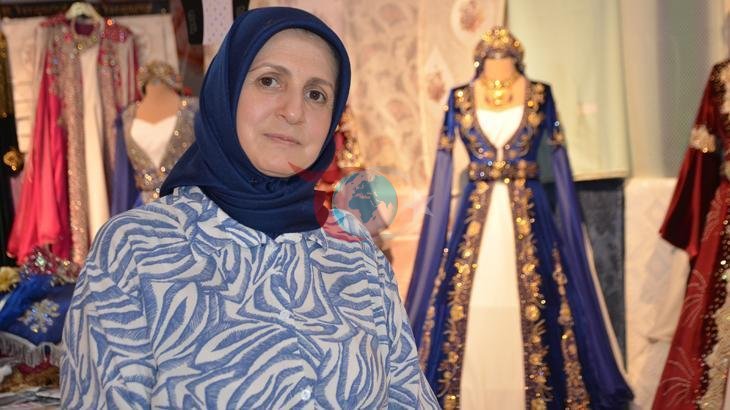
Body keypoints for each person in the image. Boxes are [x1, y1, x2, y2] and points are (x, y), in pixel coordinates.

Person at [60, 7, 438, 408]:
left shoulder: (353, 248)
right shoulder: (137, 249)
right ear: (226, 91)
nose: (293, 111)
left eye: (316, 94)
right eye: (269, 81)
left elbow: (408, 396)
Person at [405, 27, 632, 409]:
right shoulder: (459, 97)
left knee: (539, 296)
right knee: (465, 301)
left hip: (531, 211)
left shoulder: (541, 94)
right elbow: (442, 167)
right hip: (474, 213)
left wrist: (570, 226)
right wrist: (436, 224)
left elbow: (559, 162)